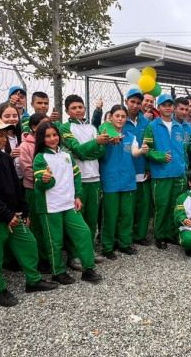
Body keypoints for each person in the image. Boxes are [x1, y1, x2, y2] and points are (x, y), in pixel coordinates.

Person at [0, 115, 58, 306]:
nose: (4, 138)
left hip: (14, 215)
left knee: (29, 244)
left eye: (5, 134)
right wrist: (6, 215)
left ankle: (33, 280)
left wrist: (24, 210)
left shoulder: (5, 157)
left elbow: (16, 186)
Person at [33, 122, 104, 285]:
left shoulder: (66, 155)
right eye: (47, 136)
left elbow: (76, 176)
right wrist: (45, 180)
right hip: (50, 207)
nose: (52, 138)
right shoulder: (40, 157)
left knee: (84, 232)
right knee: (55, 241)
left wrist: (78, 196)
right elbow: (40, 185)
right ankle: (57, 272)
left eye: (55, 135)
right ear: (41, 139)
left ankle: (88, 269)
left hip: (69, 204)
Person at [60, 94, 109, 254]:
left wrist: (81, 154)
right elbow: (78, 148)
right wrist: (93, 144)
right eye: (73, 108)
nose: (78, 110)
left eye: (80, 107)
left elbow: (101, 152)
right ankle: (74, 254)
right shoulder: (65, 128)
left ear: (85, 108)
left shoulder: (92, 128)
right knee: (77, 220)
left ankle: (89, 251)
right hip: (77, 180)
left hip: (95, 179)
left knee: (92, 219)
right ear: (67, 111)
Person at [144, 95, 191, 249]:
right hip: (161, 173)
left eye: (170, 105)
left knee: (175, 206)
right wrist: (161, 156)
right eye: (164, 105)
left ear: (173, 107)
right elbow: (147, 150)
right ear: (158, 107)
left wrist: (183, 168)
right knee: (161, 206)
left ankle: (171, 233)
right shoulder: (152, 126)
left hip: (178, 173)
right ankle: (159, 236)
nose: (167, 108)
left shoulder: (179, 126)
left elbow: (183, 150)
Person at [98, 105, 138, 259]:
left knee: (127, 215)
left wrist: (142, 150)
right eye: (117, 116)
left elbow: (135, 152)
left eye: (123, 116)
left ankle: (124, 243)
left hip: (128, 180)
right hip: (110, 180)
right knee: (110, 216)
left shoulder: (130, 136)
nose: (120, 119)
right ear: (111, 117)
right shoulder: (104, 134)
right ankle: (107, 246)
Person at [18, 113, 52, 272]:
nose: (47, 128)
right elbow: (27, 170)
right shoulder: (26, 146)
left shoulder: (49, 142)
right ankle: (41, 258)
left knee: (49, 224)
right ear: (33, 127)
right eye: (43, 124)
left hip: (51, 189)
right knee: (37, 225)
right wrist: (42, 180)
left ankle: (51, 255)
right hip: (34, 189)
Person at [123, 89, 153, 246]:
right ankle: (125, 237)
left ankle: (140, 235)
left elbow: (150, 146)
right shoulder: (121, 119)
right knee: (127, 207)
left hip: (142, 169)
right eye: (132, 102)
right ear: (126, 102)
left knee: (143, 205)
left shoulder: (145, 122)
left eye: (138, 103)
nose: (135, 105)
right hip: (126, 169)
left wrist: (148, 166)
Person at [0, 103, 23, 177]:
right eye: (7, 116)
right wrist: (10, 157)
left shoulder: (22, 137)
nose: (12, 119)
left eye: (15, 116)